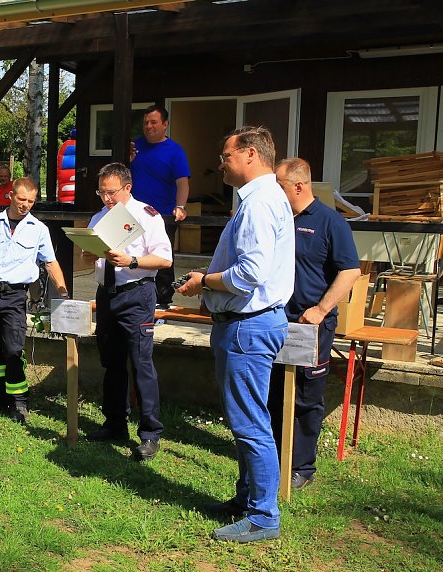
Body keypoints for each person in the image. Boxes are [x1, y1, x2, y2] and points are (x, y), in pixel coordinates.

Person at [177, 126, 294, 543]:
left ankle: (263, 516)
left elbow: (250, 274)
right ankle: (247, 500)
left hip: (249, 326)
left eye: (225, 156)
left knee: (250, 424)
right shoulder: (263, 199)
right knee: (249, 418)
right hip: (250, 324)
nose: (220, 163)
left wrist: (205, 282)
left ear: (249, 154)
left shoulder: (260, 203)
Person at [267, 158, 360, 490]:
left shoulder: (330, 222)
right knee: (275, 390)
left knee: (306, 395)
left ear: (298, 185)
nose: (274, 192)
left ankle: (302, 467)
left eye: (278, 186)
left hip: (310, 325)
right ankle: (276, 456)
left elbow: (350, 271)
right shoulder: (278, 219)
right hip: (276, 319)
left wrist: (321, 308)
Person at [84, 162, 172, 461]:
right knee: (112, 362)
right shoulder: (99, 217)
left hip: (136, 296)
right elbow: (92, 261)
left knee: (141, 363)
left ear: (127, 188)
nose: (106, 198)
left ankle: (149, 434)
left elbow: (164, 259)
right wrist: (88, 253)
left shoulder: (146, 215)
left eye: (111, 192)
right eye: (101, 192)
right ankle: (115, 424)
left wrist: (132, 260)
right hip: (106, 294)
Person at [0, 177, 69, 424]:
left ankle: (19, 401)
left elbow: (50, 263)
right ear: (10, 196)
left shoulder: (39, 229)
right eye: (22, 199)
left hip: (14, 296)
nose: (26, 205)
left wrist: (63, 293)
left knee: (13, 349)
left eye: (31, 201)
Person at [129, 105, 190, 310]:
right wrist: (126, 160)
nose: (148, 126)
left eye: (153, 122)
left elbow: (182, 182)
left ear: (165, 124)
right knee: (132, 255)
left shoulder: (175, 150)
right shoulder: (133, 146)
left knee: (161, 259)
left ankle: (162, 303)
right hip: (133, 214)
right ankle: (135, 299)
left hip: (162, 215)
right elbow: (119, 176)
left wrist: (180, 206)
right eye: (145, 122)